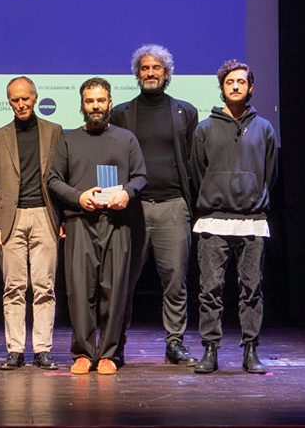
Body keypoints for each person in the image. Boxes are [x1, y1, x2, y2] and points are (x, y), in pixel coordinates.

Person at [47, 77, 146, 376]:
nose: (95, 106)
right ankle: (82, 353)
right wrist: (78, 197)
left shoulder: (126, 139)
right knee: (79, 291)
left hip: (117, 223)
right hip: (80, 222)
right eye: (90, 101)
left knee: (114, 290)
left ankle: (109, 354)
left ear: (110, 103)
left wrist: (126, 193)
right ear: (82, 105)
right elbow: (52, 179)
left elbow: (140, 176)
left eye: (100, 100)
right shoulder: (67, 139)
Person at [109, 43, 199, 366]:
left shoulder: (185, 111)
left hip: (173, 206)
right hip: (132, 209)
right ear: (136, 74)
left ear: (167, 74)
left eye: (156, 68)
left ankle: (175, 342)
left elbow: (191, 161)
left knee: (175, 279)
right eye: (144, 68)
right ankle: (115, 344)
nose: (150, 73)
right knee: (123, 280)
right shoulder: (120, 112)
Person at [189, 59, 278, 374]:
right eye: (230, 82)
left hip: (252, 220)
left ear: (250, 87)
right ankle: (210, 351)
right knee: (210, 289)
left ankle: (250, 350)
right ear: (222, 87)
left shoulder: (264, 128)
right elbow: (197, 172)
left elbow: (270, 172)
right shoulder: (204, 128)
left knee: (251, 289)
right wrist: (214, 194)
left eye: (241, 81)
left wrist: (254, 195)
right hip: (213, 218)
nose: (236, 86)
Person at [0, 76, 62, 370]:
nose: (20, 104)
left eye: (25, 99)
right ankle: (15, 349)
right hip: (10, 220)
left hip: (44, 215)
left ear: (35, 98)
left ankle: (42, 349)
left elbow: (60, 179)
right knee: (13, 287)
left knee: (44, 286)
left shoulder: (54, 131)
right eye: (15, 100)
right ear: (9, 102)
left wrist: (61, 218)